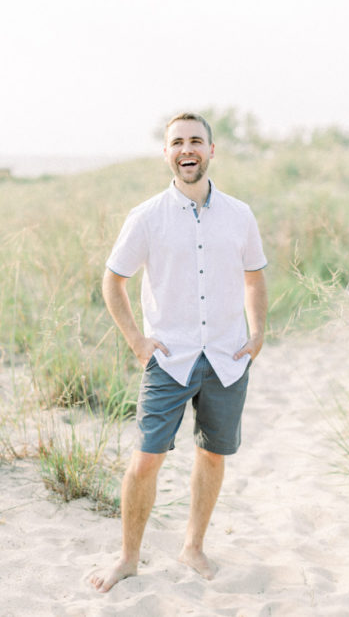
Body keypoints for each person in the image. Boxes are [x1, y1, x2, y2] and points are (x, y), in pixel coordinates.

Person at [87, 113, 268, 593]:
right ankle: (128, 559)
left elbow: (254, 276)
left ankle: (193, 546)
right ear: (166, 153)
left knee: (212, 455)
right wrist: (135, 340)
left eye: (196, 141)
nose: (187, 150)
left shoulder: (240, 215)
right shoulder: (146, 216)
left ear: (212, 150)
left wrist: (258, 331)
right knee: (146, 459)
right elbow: (114, 280)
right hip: (168, 359)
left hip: (227, 359)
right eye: (177, 143)